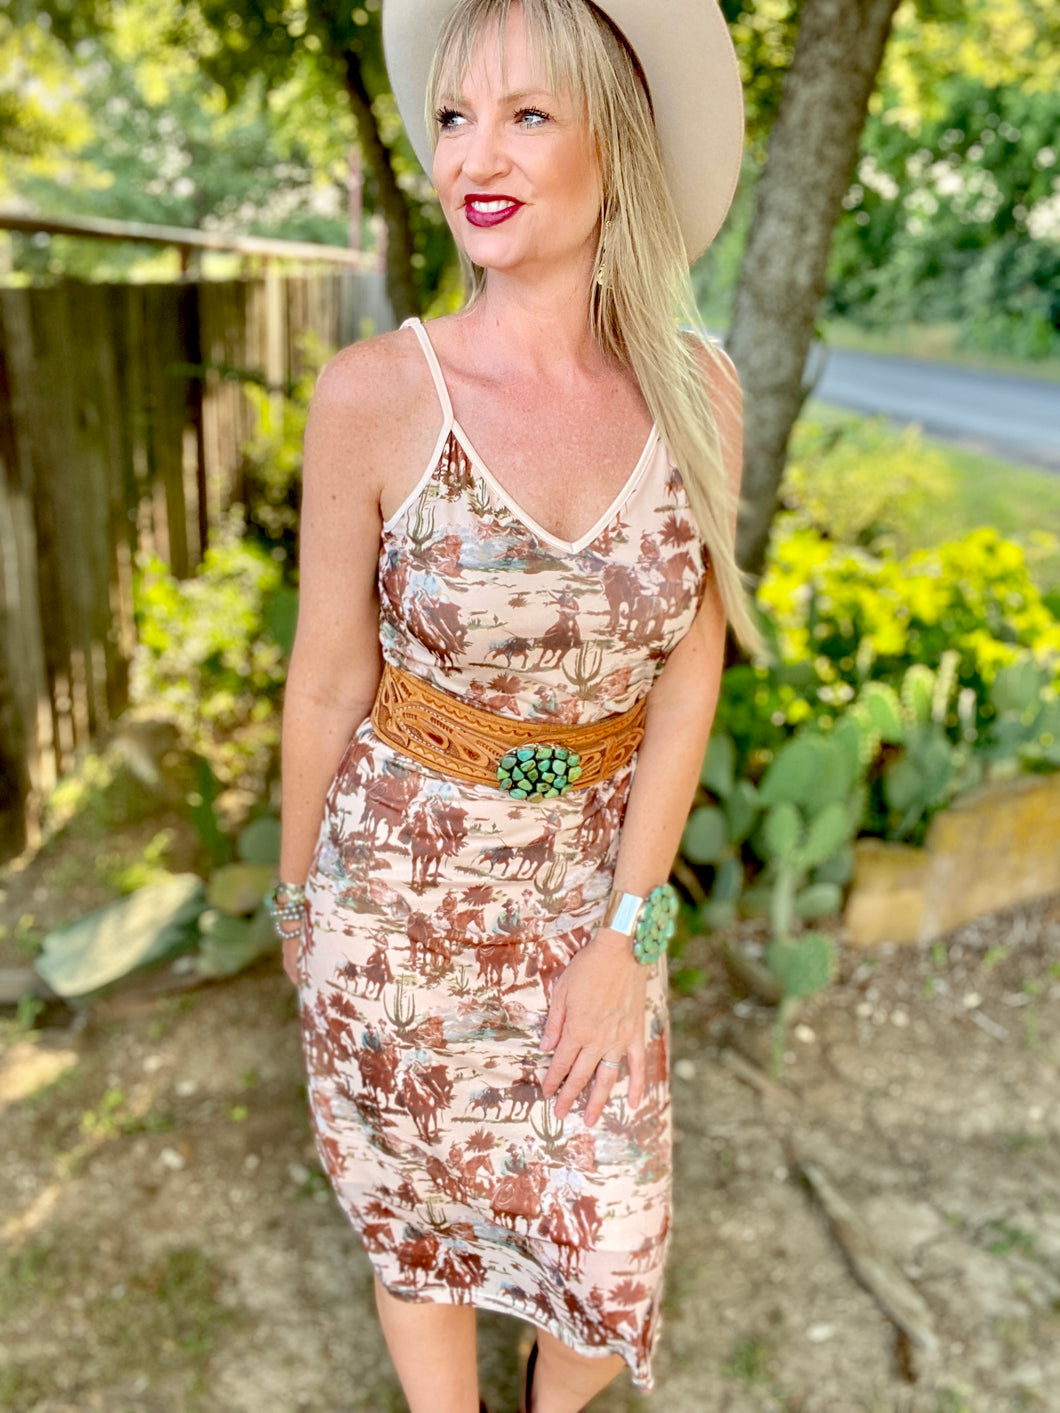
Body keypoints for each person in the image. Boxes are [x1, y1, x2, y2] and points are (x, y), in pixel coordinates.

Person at [268, 1, 758, 1409]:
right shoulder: (376, 394)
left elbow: (689, 675)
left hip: (589, 893)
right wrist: (299, 903)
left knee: (611, 1237)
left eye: (528, 113)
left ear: (620, 140)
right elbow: (328, 675)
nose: (473, 157)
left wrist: (628, 931)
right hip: (397, 900)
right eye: (454, 116)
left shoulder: (698, 391)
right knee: (418, 1225)